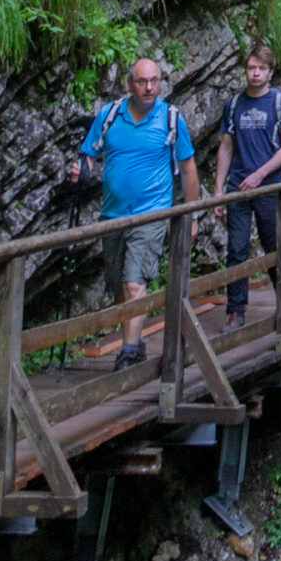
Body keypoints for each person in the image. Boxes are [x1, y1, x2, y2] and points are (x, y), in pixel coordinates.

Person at [75, 57, 198, 367]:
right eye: (142, 81)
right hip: (112, 215)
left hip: (151, 214)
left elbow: (187, 168)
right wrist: (80, 170)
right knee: (119, 286)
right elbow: (88, 154)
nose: (149, 88)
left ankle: (128, 351)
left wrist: (193, 214)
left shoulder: (170, 118)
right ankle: (137, 339)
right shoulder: (110, 115)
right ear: (130, 83)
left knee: (134, 282)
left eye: (154, 81)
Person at [214, 45, 281, 331]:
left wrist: (260, 175)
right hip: (238, 186)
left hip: (269, 187)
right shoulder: (234, 105)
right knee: (236, 249)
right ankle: (235, 311)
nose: (256, 73)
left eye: (261, 68)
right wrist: (218, 190)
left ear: (271, 72)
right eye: (251, 68)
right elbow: (226, 147)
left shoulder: (280, 103)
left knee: (273, 246)